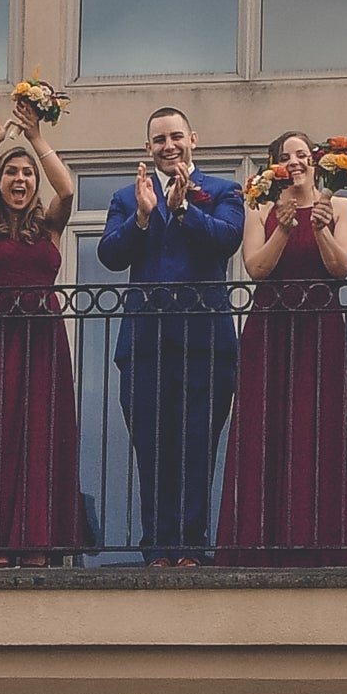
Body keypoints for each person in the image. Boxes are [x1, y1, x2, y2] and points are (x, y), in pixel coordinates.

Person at [98, 105, 242, 562]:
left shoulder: (223, 190)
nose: (169, 146)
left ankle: (191, 547)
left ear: (193, 139)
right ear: (148, 148)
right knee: (153, 447)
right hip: (145, 345)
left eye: (176, 137)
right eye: (159, 140)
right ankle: (157, 546)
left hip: (206, 344)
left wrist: (182, 210)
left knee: (198, 446)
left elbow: (227, 240)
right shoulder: (127, 196)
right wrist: (142, 219)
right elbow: (109, 255)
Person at [0, 95, 83, 564]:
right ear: (1, 183)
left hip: (43, 341)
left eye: (26, 174)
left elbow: (67, 192)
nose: (21, 179)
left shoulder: (49, 226)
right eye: (12, 173)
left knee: (39, 437)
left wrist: (37, 140)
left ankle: (37, 542)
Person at [217, 133, 347, 564]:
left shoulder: (341, 207)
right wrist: (282, 228)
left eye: (302, 154)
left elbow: (341, 268)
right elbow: (255, 269)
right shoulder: (259, 207)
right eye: (286, 157)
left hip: (320, 331)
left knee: (318, 430)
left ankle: (319, 544)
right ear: (275, 167)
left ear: (317, 161)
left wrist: (319, 229)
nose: (295, 162)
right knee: (264, 430)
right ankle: (257, 543)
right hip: (270, 328)